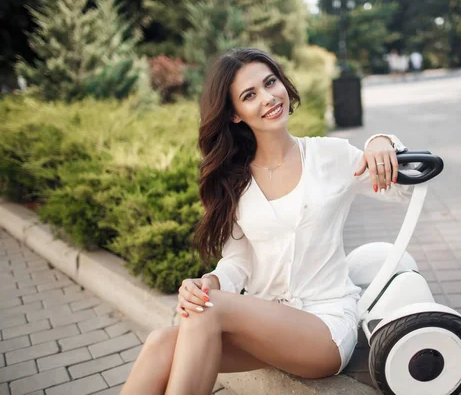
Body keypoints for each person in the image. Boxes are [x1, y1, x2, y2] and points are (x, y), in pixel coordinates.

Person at [121, 48, 411, 395]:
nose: (268, 97)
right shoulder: (236, 181)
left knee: (207, 311)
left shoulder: (328, 156)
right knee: (160, 342)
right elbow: (239, 261)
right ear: (236, 115)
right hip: (266, 325)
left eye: (270, 82)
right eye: (249, 95)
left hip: (325, 328)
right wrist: (209, 282)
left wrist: (383, 142)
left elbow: (403, 190)